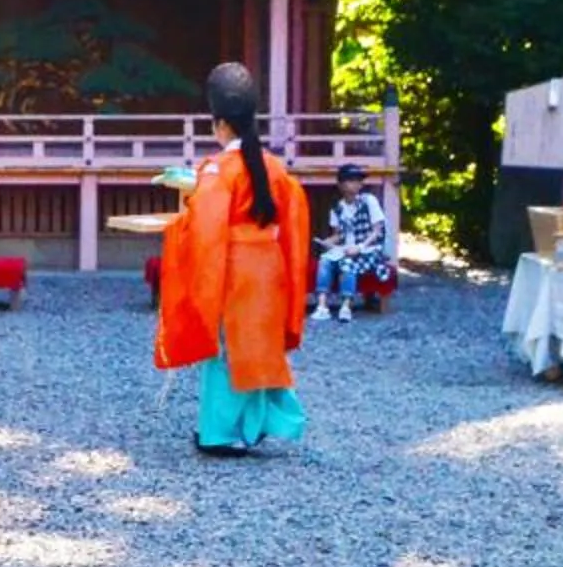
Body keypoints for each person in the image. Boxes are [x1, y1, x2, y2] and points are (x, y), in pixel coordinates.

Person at [154, 63, 313, 455]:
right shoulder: (274, 167)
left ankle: (219, 434)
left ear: (220, 124)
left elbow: (206, 225)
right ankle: (257, 424)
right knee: (260, 346)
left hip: (233, 270)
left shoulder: (218, 168)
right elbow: (292, 219)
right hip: (269, 268)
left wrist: (178, 228)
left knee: (227, 351)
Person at [311, 163, 392, 322]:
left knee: (347, 263)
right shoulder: (337, 208)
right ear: (341, 185)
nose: (357, 184)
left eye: (358, 180)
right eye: (351, 180)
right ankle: (322, 306)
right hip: (345, 248)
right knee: (325, 260)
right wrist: (327, 242)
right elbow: (338, 235)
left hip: (369, 249)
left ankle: (346, 306)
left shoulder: (369, 201)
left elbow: (377, 231)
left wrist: (359, 247)